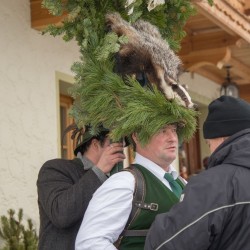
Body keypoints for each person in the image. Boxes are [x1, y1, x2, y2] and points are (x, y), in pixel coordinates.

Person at [145, 95, 250, 250]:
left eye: (208, 143)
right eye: (162, 130)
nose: (210, 150)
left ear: (221, 137)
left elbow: (164, 244)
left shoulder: (214, 184)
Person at [75, 123, 187, 250]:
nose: (172, 138)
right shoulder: (124, 182)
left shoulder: (183, 183)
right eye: (162, 130)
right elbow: (89, 243)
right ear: (137, 136)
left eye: (174, 130)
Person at [37, 124, 125, 250]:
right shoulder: (55, 168)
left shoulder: (112, 181)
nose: (122, 156)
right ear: (95, 144)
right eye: (115, 148)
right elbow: (61, 214)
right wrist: (99, 170)